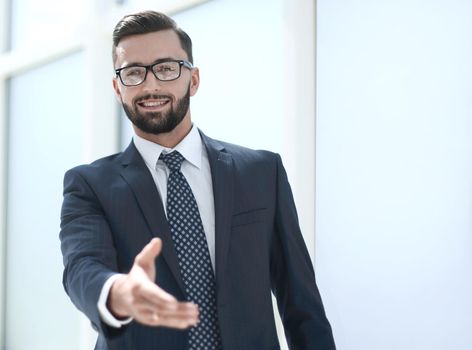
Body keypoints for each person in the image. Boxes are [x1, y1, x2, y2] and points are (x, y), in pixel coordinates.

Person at [60, 10, 336, 350]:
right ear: (118, 88)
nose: (150, 84)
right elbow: (82, 268)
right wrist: (117, 292)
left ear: (193, 79)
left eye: (165, 68)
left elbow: (302, 304)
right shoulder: (90, 186)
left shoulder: (262, 173)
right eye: (133, 73)